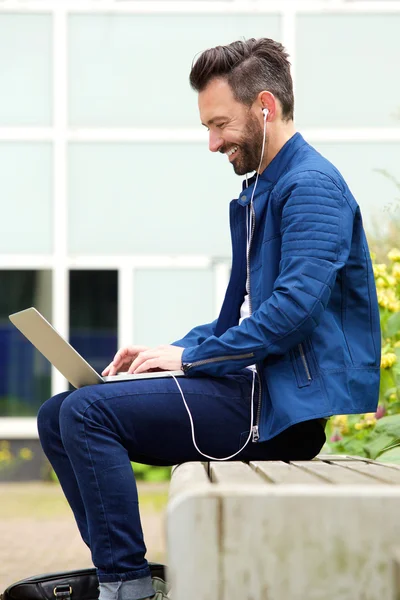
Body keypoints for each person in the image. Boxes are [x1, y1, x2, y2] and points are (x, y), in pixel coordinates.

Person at [37, 38, 381, 600]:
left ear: (264, 108)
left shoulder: (312, 188)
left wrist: (190, 359)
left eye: (220, 124)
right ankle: (120, 576)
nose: (213, 142)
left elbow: (292, 314)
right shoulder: (262, 192)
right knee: (57, 415)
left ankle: (126, 587)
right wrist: (162, 354)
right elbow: (236, 319)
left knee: (86, 416)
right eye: (208, 128)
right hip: (240, 389)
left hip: (274, 411)